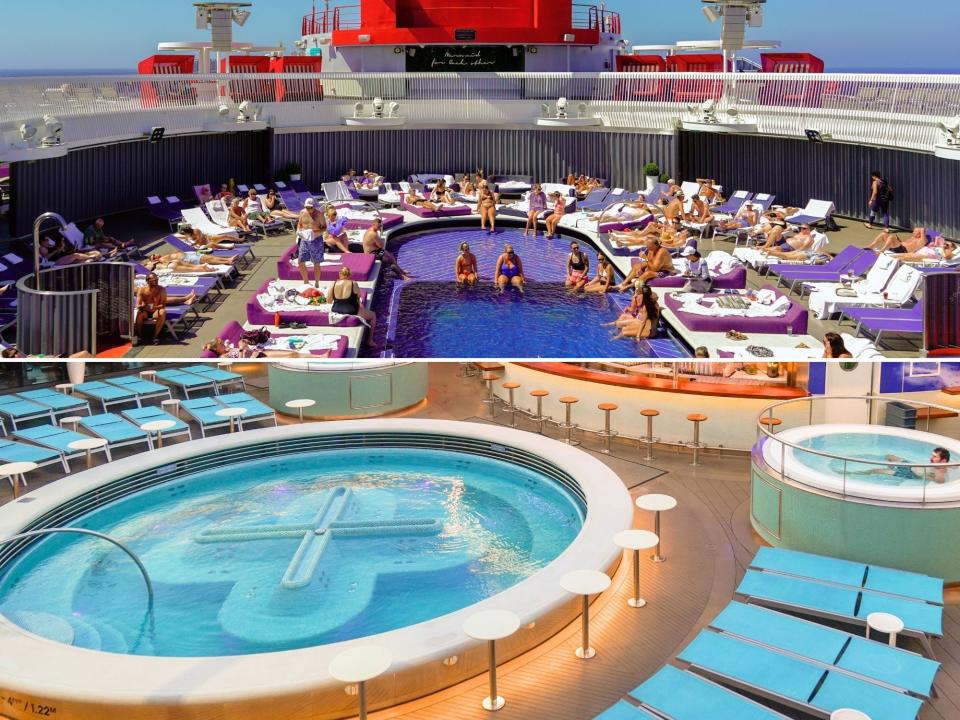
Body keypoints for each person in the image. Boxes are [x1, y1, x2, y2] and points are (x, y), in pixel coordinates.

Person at [135, 272, 196, 345]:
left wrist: (156, 307)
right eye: (154, 280)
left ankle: (155, 336)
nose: (156, 281)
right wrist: (143, 306)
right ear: (148, 281)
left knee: (162, 312)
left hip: (156, 310)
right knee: (140, 313)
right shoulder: (142, 290)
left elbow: (163, 304)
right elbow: (138, 304)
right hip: (145, 311)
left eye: (157, 279)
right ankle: (139, 336)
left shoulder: (161, 289)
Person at [331, 266, 377, 346]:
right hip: (350, 310)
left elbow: (328, 300)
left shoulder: (334, 283)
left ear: (339, 274)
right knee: (373, 315)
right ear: (349, 275)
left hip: (336, 309)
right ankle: (370, 340)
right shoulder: (353, 283)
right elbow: (358, 297)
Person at [853, 447, 950, 484]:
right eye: (932, 455)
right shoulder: (943, 465)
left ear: (943, 460)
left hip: (909, 473)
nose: (931, 458)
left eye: (935, 457)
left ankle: (851, 473)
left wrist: (927, 476)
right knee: (890, 456)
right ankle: (854, 456)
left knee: (877, 470)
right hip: (910, 465)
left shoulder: (939, 475)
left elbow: (938, 482)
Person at [297, 197, 327, 287]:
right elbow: (299, 224)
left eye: (310, 207)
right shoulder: (302, 212)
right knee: (300, 261)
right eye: (307, 207)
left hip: (316, 240)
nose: (308, 209)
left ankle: (317, 283)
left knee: (316, 263)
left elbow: (324, 227)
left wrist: (313, 232)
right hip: (304, 240)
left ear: (314, 206)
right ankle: (306, 282)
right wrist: (299, 230)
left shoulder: (319, 215)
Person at [203, 337, 313, 359]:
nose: (224, 345)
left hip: (258, 353)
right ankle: (319, 357)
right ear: (216, 349)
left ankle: (320, 356)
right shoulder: (224, 357)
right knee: (290, 357)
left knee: (291, 353)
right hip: (258, 359)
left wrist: (244, 344)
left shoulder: (227, 350)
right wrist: (241, 349)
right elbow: (241, 362)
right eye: (221, 344)